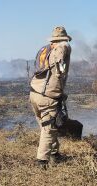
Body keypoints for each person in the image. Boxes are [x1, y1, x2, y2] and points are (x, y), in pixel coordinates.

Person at [30, 26, 72, 169]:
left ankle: (54, 153)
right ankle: (42, 161)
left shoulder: (45, 50)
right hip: (47, 97)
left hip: (34, 93)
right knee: (48, 129)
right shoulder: (63, 46)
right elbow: (62, 50)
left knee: (47, 125)